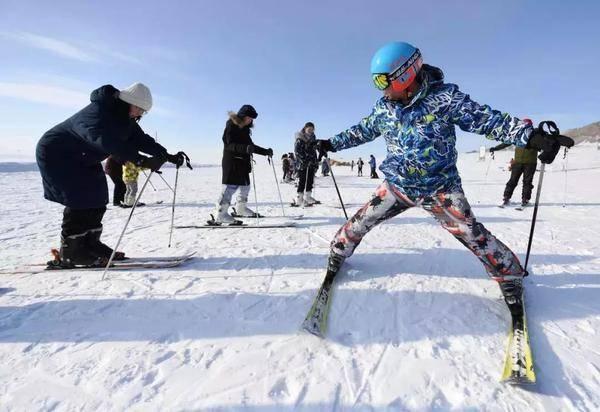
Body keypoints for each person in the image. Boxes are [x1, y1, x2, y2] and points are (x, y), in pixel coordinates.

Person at [315, 41, 571, 315]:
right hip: (398, 184)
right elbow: (362, 130)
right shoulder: (384, 108)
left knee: (474, 234)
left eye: (382, 80)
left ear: (405, 74)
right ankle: (338, 253)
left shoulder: (444, 99)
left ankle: (509, 276)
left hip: (440, 188)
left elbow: (486, 119)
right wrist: (332, 144)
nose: (380, 87)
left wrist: (530, 136)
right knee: (360, 222)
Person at [36, 82, 188, 267]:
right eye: (139, 108)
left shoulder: (125, 120)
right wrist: (139, 160)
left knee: (97, 197)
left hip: (84, 158)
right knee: (79, 199)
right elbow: (103, 140)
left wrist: (167, 155)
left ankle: (90, 244)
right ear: (127, 102)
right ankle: (72, 252)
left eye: (144, 111)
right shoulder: (98, 111)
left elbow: (141, 139)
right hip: (57, 154)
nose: (140, 114)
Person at [214, 105, 273, 223]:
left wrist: (265, 152)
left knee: (245, 186)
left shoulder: (245, 130)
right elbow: (229, 144)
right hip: (232, 161)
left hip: (243, 163)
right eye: (249, 117)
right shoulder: (231, 125)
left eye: (252, 119)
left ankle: (240, 209)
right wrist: (245, 148)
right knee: (229, 187)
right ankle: (221, 214)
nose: (250, 120)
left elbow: (251, 146)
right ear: (242, 116)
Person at [491, 139, 538, 207]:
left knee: (527, 182)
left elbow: (544, 145)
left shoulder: (536, 136)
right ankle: (506, 197)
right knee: (513, 180)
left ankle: (525, 199)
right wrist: (496, 148)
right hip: (518, 162)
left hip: (530, 163)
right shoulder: (518, 134)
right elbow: (507, 142)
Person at [294, 122, 319, 206]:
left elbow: (314, 151)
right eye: (309, 129)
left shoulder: (313, 139)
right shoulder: (300, 138)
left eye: (312, 129)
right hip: (302, 164)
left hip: (311, 163)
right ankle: (299, 198)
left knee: (310, 180)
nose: (310, 130)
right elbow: (297, 151)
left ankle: (308, 196)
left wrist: (316, 161)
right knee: (302, 181)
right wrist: (305, 160)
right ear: (305, 128)